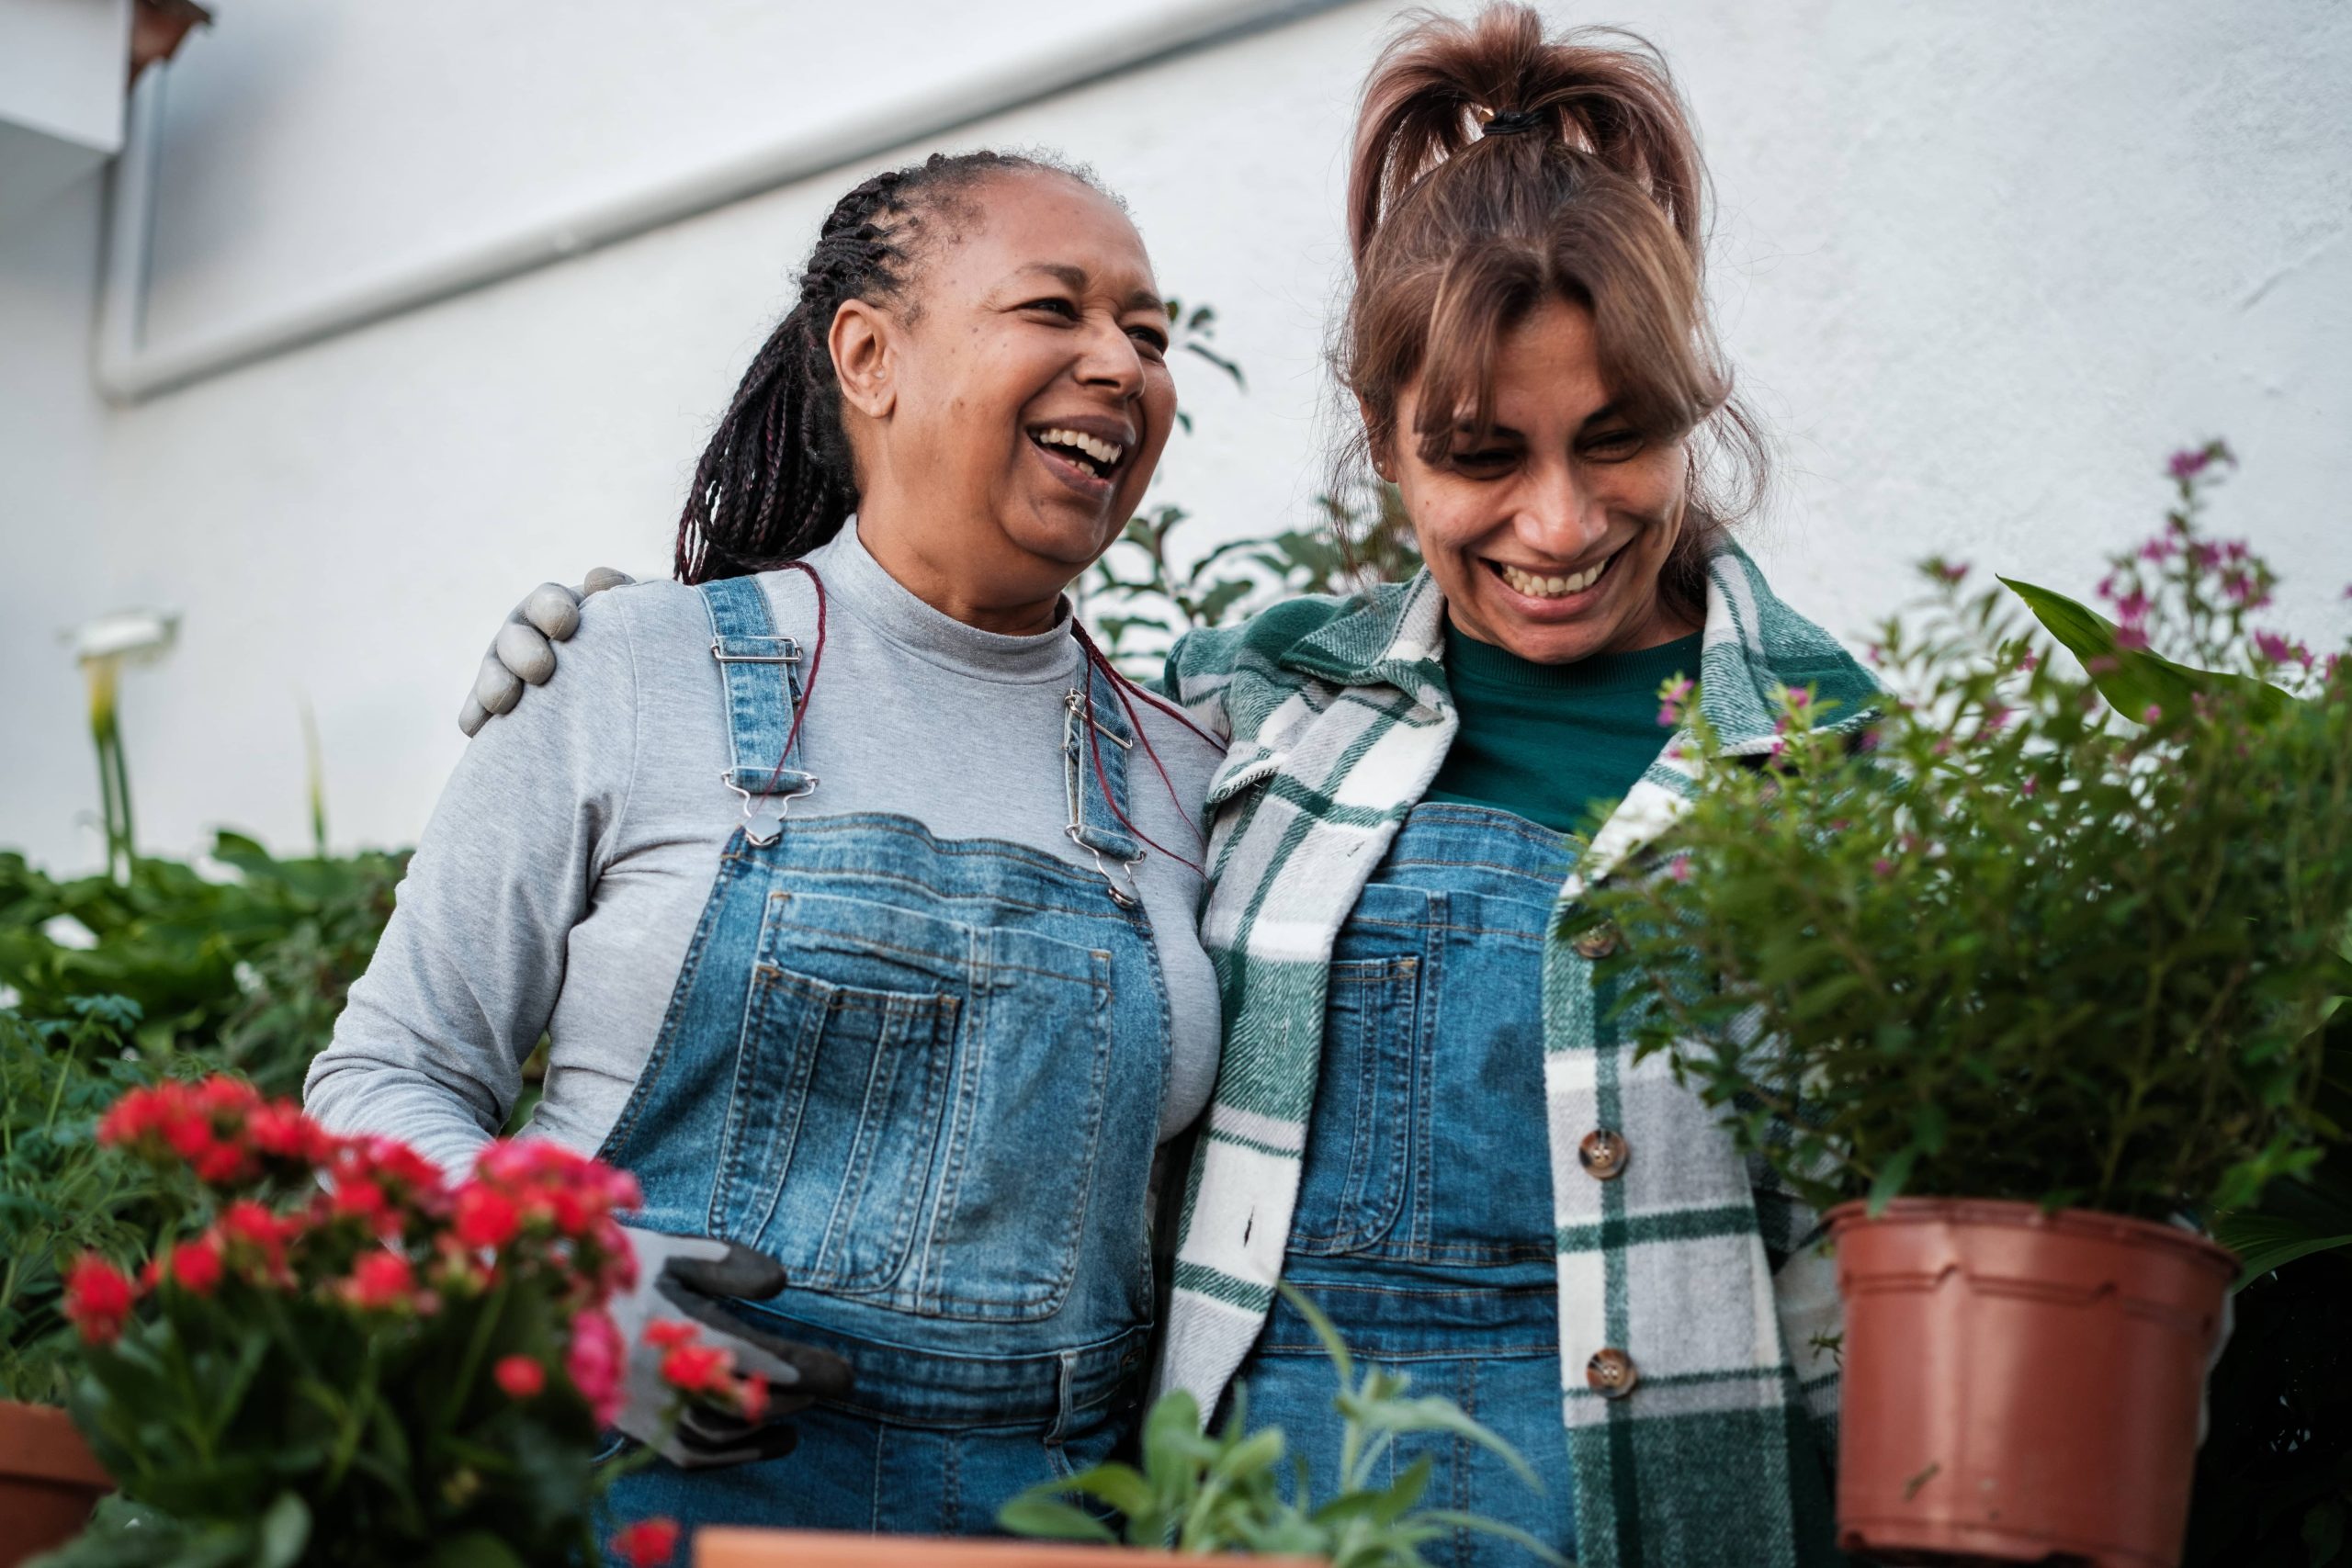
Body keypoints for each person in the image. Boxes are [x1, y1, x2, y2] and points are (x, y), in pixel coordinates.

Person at [464, 10, 1872, 1562]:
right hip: (1230, 1523)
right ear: (1388, 446)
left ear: (1694, 412)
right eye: (1480, 454)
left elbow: (1904, 1261)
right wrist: (618, 651)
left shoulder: (1838, 771)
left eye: (1616, 441)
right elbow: (935, 690)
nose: (1555, 522)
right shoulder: (1260, 715)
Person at [303, 148, 1228, 1538]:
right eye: (1056, 310)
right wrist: (551, 1274)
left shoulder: (1191, 771)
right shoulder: (625, 669)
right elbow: (382, 1078)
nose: (1123, 363)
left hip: (1045, 1542)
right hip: (628, 1515)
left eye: (1148, 337)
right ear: (870, 354)